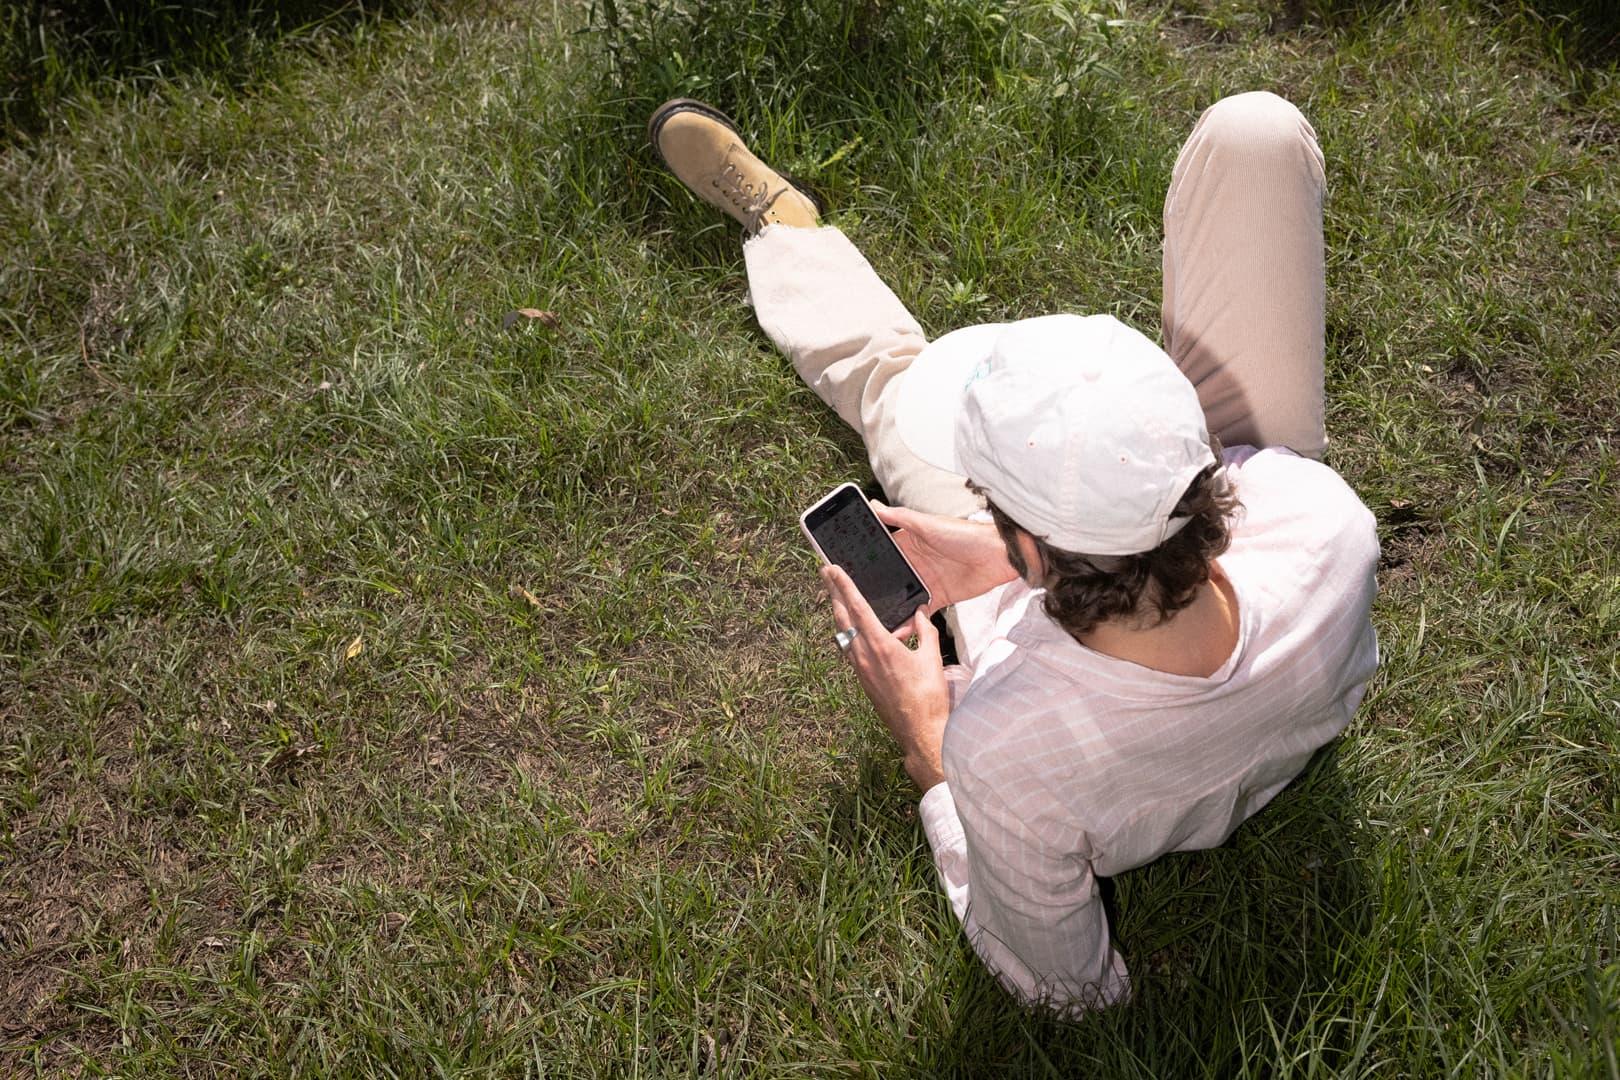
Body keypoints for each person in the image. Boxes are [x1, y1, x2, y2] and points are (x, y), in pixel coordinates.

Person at [647, 92, 1380, 1013]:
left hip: (1053, 676)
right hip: (1237, 576)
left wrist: (929, 744)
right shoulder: (1327, 524)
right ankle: (795, 243)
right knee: (1257, 132)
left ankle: (788, 237)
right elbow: (1223, 508)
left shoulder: (1003, 748)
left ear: (1035, 553)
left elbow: (1071, 992)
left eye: (994, 508)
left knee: (893, 386)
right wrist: (1006, 550)